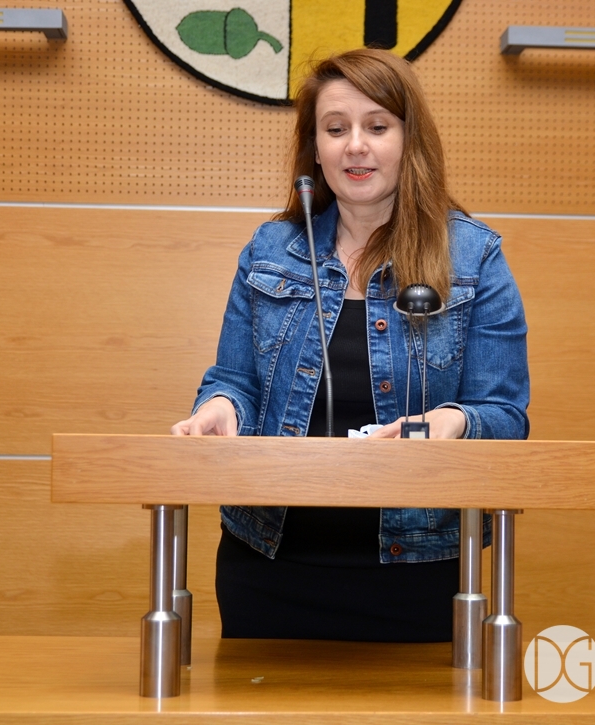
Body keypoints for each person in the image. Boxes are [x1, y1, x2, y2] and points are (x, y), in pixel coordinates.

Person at [170, 48, 529, 642]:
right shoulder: (270, 250)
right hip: (268, 563)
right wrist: (220, 407)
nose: (355, 146)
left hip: (419, 570)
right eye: (336, 129)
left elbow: (505, 416)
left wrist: (451, 422)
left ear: (409, 141)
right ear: (315, 149)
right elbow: (235, 380)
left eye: (377, 127)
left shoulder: (474, 257)